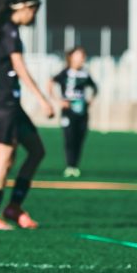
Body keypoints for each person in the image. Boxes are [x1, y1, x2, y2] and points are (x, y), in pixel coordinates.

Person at [0, 0, 55, 230]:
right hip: (6, 106)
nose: (34, 16)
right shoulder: (9, 31)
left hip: (8, 105)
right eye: (34, 11)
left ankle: (13, 207)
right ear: (25, 8)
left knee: (36, 151)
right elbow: (19, 67)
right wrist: (42, 99)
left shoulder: (3, 29)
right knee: (4, 159)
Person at [48, 46, 98, 177]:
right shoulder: (65, 73)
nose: (81, 58)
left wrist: (91, 100)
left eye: (82, 56)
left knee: (79, 139)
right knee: (69, 138)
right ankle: (69, 166)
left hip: (82, 111)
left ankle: (75, 166)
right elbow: (50, 82)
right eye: (78, 55)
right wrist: (58, 101)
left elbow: (95, 88)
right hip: (68, 111)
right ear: (71, 57)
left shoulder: (85, 73)